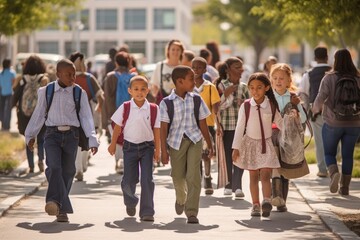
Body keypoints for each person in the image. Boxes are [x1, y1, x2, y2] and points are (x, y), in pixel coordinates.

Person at [25, 59, 99, 222]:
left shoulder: (79, 92)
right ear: (58, 74)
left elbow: (86, 117)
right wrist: (30, 135)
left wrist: (92, 140)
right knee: (54, 168)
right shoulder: (46, 91)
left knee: (69, 171)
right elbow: (38, 114)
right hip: (52, 135)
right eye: (68, 75)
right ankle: (57, 205)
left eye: (73, 74)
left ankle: (57, 205)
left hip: (72, 136)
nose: (72, 77)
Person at [160, 65, 213, 224]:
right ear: (180, 81)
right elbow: (163, 128)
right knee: (177, 175)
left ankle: (191, 212)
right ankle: (181, 198)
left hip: (195, 140)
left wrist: (209, 144)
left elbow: (203, 123)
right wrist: (163, 151)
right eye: (191, 79)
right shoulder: (166, 103)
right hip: (176, 142)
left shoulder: (196, 99)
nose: (194, 81)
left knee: (193, 176)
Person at [108, 75, 160, 222]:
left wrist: (158, 150)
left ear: (148, 90)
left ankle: (147, 211)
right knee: (129, 180)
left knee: (147, 179)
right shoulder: (125, 107)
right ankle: (130, 201)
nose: (139, 92)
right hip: (129, 147)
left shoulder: (153, 108)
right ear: (130, 91)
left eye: (143, 89)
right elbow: (117, 127)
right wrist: (112, 144)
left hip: (147, 147)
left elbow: (157, 130)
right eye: (136, 89)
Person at [232, 72, 283, 217]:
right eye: (252, 88)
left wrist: (291, 126)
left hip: (266, 145)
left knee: (266, 175)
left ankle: (266, 201)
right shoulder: (246, 106)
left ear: (267, 87)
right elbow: (240, 127)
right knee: (253, 176)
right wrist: (236, 148)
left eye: (259, 87)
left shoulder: (271, 105)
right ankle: (255, 204)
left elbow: (280, 123)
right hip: (250, 145)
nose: (255, 91)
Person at [312, 48, 360, 196]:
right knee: (348, 155)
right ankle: (344, 187)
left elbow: (320, 98)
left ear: (335, 60)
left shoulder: (329, 78)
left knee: (329, 153)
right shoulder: (358, 78)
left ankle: (333, 173)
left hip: (333, 122)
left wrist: (314, 110)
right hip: (354, 123)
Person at [269, 63, 308, 212]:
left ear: (289, 81)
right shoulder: (268, 97)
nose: (278, 81)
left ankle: (282, 201)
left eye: (281, 78)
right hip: (272, 136)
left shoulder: (293, 97)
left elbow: (303, 119)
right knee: (274, 168)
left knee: (285, 170)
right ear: (271, 80)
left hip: (288, 139)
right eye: (275, 78)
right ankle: (275, 196)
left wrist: (297, 107)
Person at [215, 57, 249, 198]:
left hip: (241, 128)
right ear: (228, 69)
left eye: (241, 67)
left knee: (240, 156)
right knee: (228, 157)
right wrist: (225, 95)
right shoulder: (221, 86)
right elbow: (215, 107)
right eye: (237, 67)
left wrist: (244, 103)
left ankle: (238, 186)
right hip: (226, 127)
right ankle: (228, 185)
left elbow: (252, 106)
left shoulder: (244, 87)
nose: (241, 70)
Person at [69, 52, 104, 181]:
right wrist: (99, 106)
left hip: (74, 112)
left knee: (78, 140)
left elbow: (100, 96)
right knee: (84, 139)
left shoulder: (69, 77)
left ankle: (79, 167)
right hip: (84, 112)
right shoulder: (88, 78)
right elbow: (100, 96)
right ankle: (80, 167)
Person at [12, 55, 49, 173]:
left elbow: (16, 96)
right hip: (40, 114)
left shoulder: (22, 80)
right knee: (41, 139)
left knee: (29, 139)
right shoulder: (44, 79)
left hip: (25, 115)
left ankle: (31, 165)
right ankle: (41, 160)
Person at [299, 46, 332, 178]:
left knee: (319, 140)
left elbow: (304, 93)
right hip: (334, 110)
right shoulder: (333, 72)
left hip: (316, 110)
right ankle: (334, 166)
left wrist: (306, 112)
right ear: (327, 57)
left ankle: (323, 169)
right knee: (334, 139)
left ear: (315, 58)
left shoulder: (309, 74)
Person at [192, 57, 221, 195]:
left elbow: (216, 107)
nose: (195, 70)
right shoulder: (188, 87)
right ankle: (197, 179)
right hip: (191, 126)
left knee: (206, 154)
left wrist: (218, 125)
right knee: (194, 154)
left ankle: (208, 177)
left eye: (198, 68)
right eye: (193, 67)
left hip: (207, 124)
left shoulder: (210, 87)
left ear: (204, 70)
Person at [103, 51, 135, 174]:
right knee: (127, 138)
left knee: (116, 139)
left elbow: (106, 98)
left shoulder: (110, 76)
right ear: (129, 62)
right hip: (130, 112)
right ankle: (125, 161)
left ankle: (118, 161)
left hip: (113, 113)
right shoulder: (133, 77)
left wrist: (105, 119)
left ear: (116, 62)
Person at [150, 39, 184, 104]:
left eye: (178, 50)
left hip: (179, 102)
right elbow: (155, 85)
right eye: (173, 49)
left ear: (181, 52)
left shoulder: (183, 68)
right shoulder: (160, 66)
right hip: (162, 101)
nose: (175, 52)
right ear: (168, 51)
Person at [0, 59, 16, 131]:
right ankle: (7, 126)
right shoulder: (12, 73)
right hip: (9, 93)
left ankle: (3, 125)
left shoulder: (1, 73)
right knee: (8, 110)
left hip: (2, 93)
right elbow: (13, 84)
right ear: (9, 64)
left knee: (2, 109)